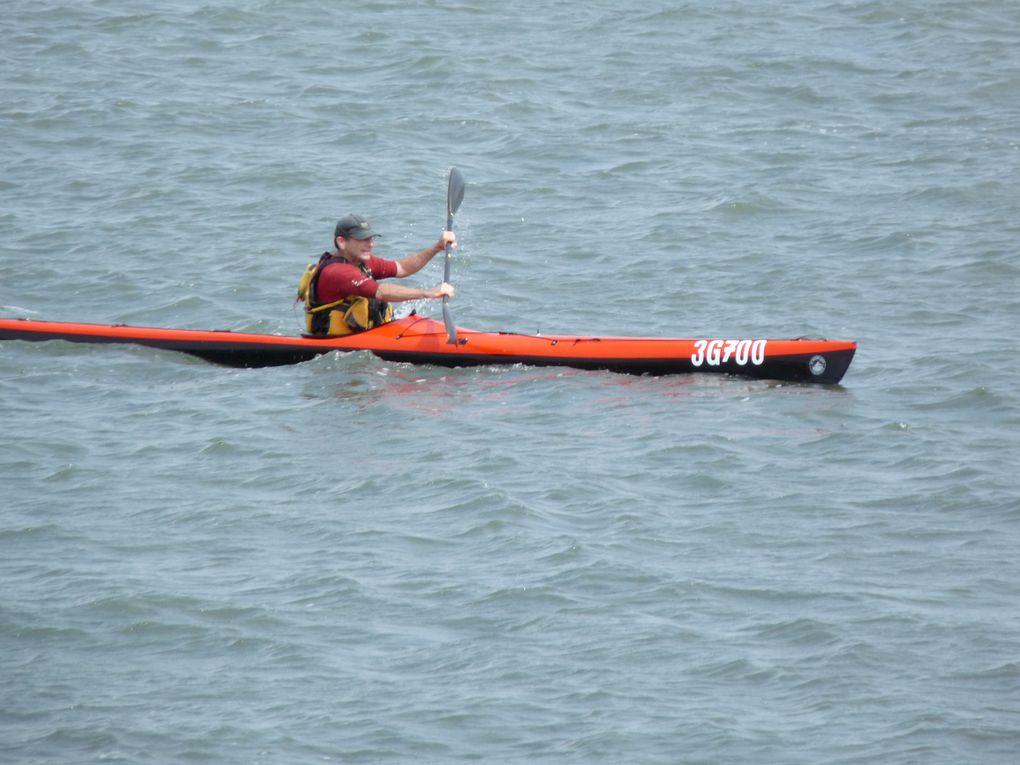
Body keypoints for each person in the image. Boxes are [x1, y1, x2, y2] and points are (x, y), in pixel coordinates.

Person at [298, 214, 456, 336]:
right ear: (341, 242)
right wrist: (427, 293)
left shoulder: (362, 262)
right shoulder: (337, 272)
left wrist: (437, 247)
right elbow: (380, 292)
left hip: (365, 337)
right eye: (362, 239)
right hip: (334, 345)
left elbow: (402, 268)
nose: (370, 243)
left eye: (371, 238)